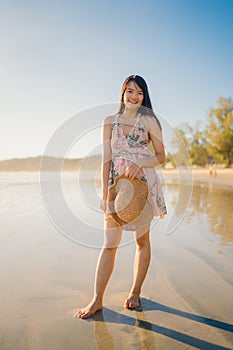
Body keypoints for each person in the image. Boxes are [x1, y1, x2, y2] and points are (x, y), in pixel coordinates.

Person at [76, 75, 167, 319]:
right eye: (129, 91)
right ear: (122, 93)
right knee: (109, 244)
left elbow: (160, 156)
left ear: (144, 96)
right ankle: (97, 300)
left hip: (142, 185)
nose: (134, 96)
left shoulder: (149, 122)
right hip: (117, 186)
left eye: (139, 92)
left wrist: (139, 162)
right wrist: (105, 192)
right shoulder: (109, 121)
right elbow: (106, 158)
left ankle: (135, 292)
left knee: (141, 242)